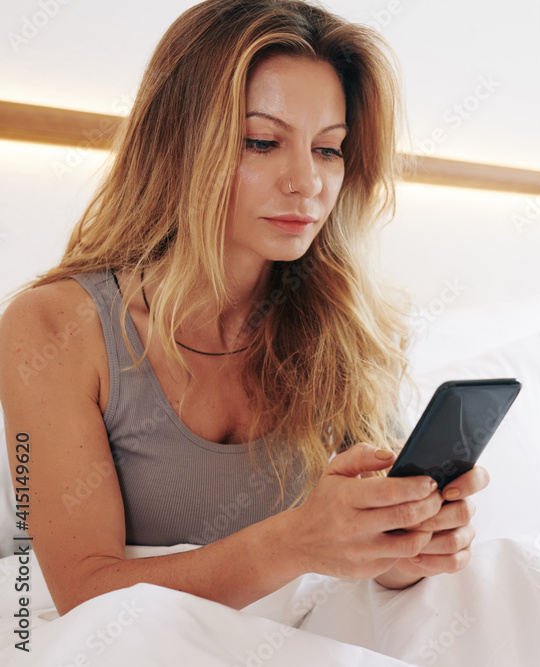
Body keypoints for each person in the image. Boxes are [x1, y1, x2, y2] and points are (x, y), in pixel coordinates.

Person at [0, 0, 486, 616]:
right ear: (178, 145)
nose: (306, 181)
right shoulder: (53, 327)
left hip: (300, 639)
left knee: (509, 577)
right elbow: (82, 594)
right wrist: (295, 541)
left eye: (329, 149)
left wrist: (402, 552)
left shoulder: (351, 327)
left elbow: (359, 565)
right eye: (262, 141)